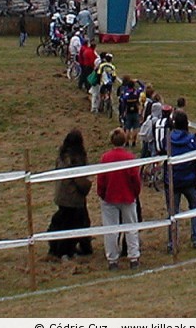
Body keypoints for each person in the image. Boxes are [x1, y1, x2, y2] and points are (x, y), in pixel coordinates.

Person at [98, 128, 141, 270]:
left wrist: (102, 194)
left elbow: (101, 180)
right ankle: (134, 257)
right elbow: (135, 179)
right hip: (127, 197)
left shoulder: (105, 158)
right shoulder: (130, 158)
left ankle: (112, 260)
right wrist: (135, 194)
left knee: (111, 229)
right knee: (131, 227)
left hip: (110, 197)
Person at [47, 129, 93, 260]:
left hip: (62, 195)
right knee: (73, 224)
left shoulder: (62, 155)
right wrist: (87, 186)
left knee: (67, 221)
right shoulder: (75, 158)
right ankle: (65, 251)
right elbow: (79, 179)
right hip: (73, 197)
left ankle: (82, 247)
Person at [167, 111, 196, 250]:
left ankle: (172, 242)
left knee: (172, 211)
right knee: (194, 207)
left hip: (173, 180)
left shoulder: (168, 139)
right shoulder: (192, 140)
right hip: (189, 179)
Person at [120, 79, 141, 147]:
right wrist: (138, 81)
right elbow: (143, 87)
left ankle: (127, 142)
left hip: (128, 111)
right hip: (135, 111)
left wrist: (122, 112)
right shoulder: (136, 92)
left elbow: (123, 102)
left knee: (127, 128)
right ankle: (134, 141)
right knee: (135, 128)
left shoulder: (126, 94)